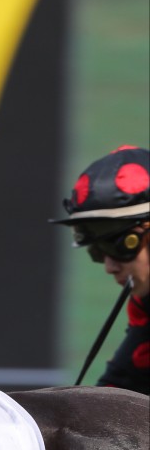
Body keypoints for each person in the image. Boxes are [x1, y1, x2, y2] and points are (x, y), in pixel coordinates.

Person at [50, 146, 150, 395]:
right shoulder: (144, 308)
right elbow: (113, 399)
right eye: (96, 250)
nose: (109, 266)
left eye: (116, 245)